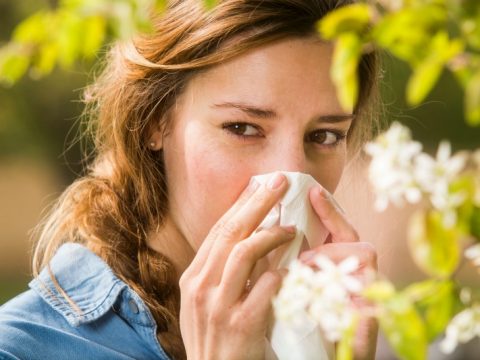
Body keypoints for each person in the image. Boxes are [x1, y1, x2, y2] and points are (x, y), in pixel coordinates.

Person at [0, 0, 380, 359]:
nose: (291, 174)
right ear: (154, 120)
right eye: (243, 128)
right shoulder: (20, 349)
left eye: (325, 136)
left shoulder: (331, 332)